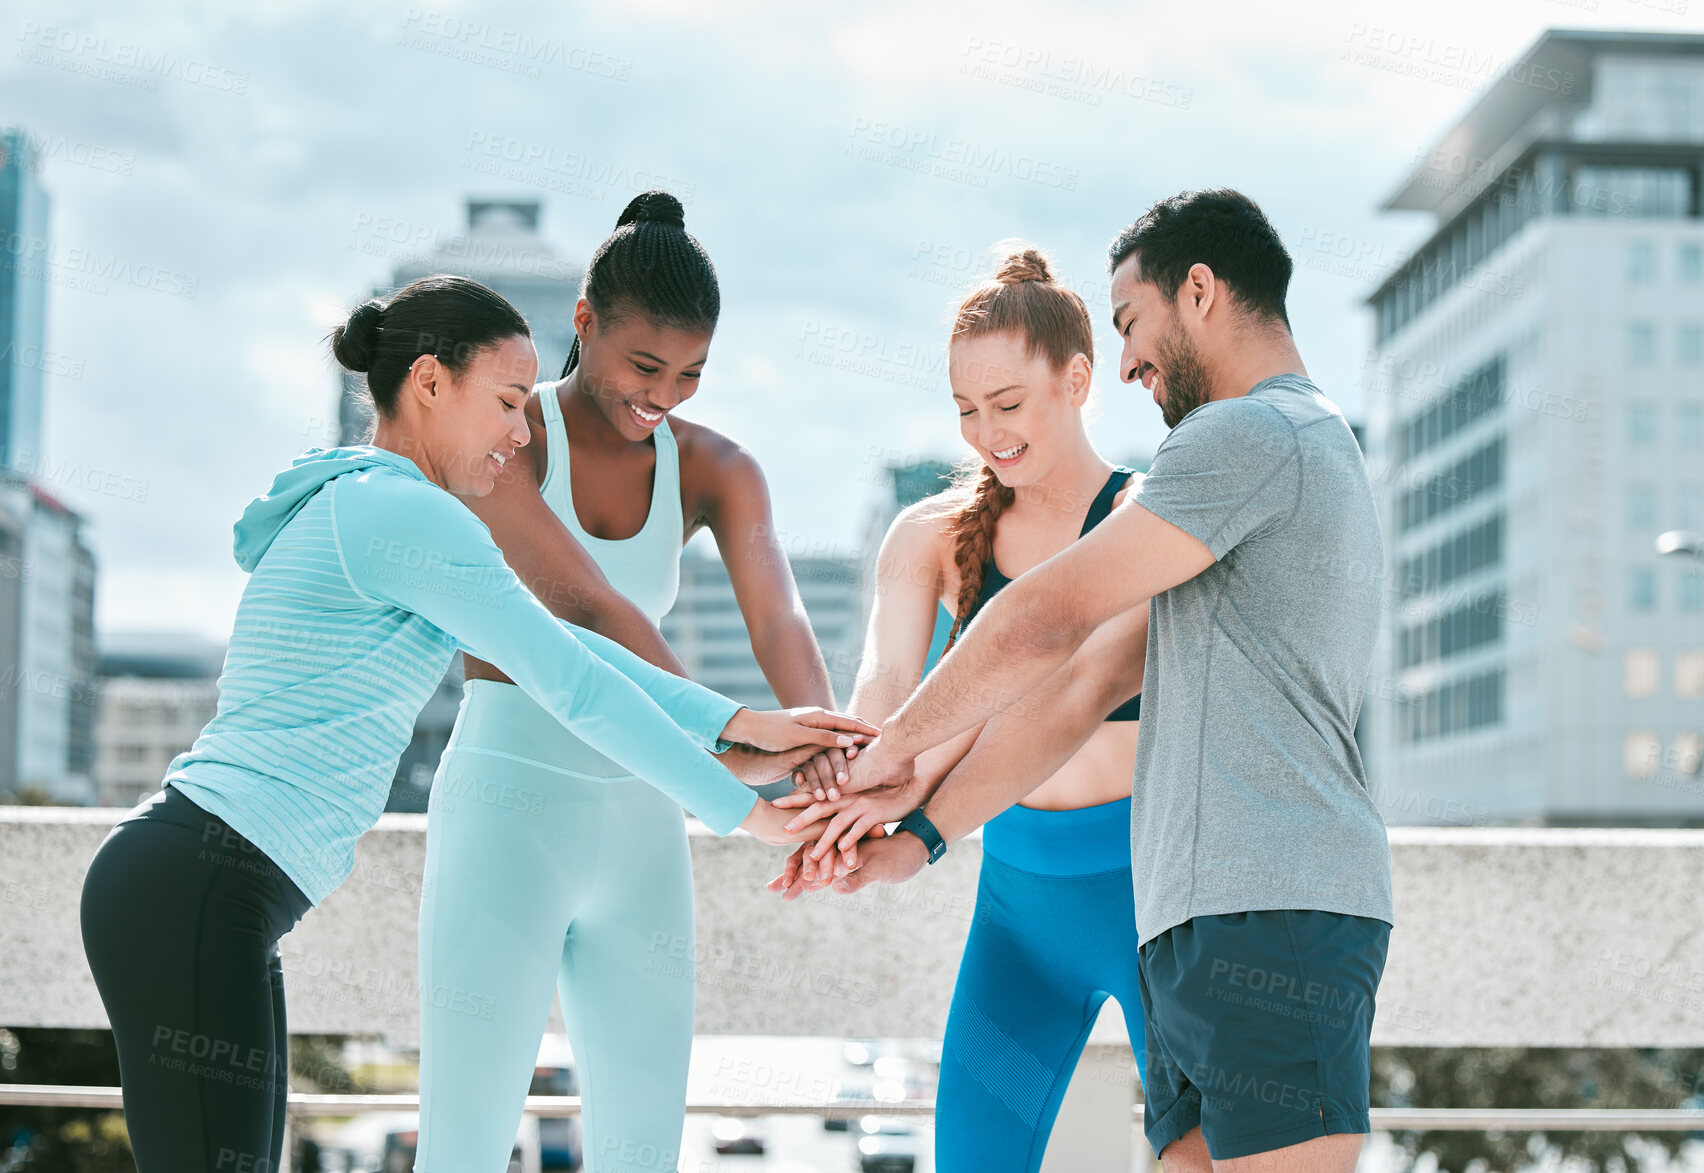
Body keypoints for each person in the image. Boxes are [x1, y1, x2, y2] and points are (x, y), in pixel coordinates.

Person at [78, 273, 863, 1173]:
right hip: (198, 885)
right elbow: (566, 676)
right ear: (428, 382)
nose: (521, 433)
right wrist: (738, 805)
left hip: (213, 892)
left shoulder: (379, 504)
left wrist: (739, 723)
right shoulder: (400, 511)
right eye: (504, 402)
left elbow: (567, 649)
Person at [810, 190, 1394, 1172]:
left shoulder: (1243, 442)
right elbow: (1075, 692)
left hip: (1263, 907)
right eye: (968, 409)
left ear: (1198, 292)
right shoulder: (1216, 491)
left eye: (1131, 326)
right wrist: (913, 833)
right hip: (1193, 920)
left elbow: (1046, 619)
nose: (1131, 363)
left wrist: (894, 756)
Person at [412, 192, 869, 1173]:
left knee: (639, 1149)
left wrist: (826, 756)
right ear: (583, 323)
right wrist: (730, 744)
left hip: (642, 822)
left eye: (692, 374)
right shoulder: (506, 437)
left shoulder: (718, 468)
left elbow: (780, 617)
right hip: (507, 804)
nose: (664, 394)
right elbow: (585, 611)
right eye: (645, 366)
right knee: (465, 1144)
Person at [763, 246, 1151, 1172]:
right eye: (967, 410)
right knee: (972, 1159)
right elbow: (887, 688)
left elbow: (1051, 692)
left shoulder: (1146, 521)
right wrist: (841, 797)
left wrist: (913, 818)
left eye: (1008, 405)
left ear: (1078, 378)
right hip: (1018, 910)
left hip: (1157, 901)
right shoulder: (929, 536)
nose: (987, 433)